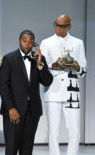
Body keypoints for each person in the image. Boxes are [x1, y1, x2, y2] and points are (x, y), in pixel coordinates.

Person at [0, 30, 53, 155]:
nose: (27, 44)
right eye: (24, 41)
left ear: (34, 43)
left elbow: (47, 81)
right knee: (11, 148)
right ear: (19, 41)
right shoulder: (9, 58)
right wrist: (10, 108)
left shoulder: (39, 58)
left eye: (30, 41)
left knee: (27, 149)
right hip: (14, 111)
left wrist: (40, 64)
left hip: (32, 111)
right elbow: (3, 86)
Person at [40, 14, 87, 155]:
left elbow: (84, 69)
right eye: (56, 24)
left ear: (69, 26)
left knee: (74, 130)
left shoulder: (78, 43)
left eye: (62, 26)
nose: (58, 28)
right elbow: (42, 68)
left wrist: (76, 66)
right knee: (53, 130)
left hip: (72, 91)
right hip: (52, 90)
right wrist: (55, 64)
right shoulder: (46, 42)